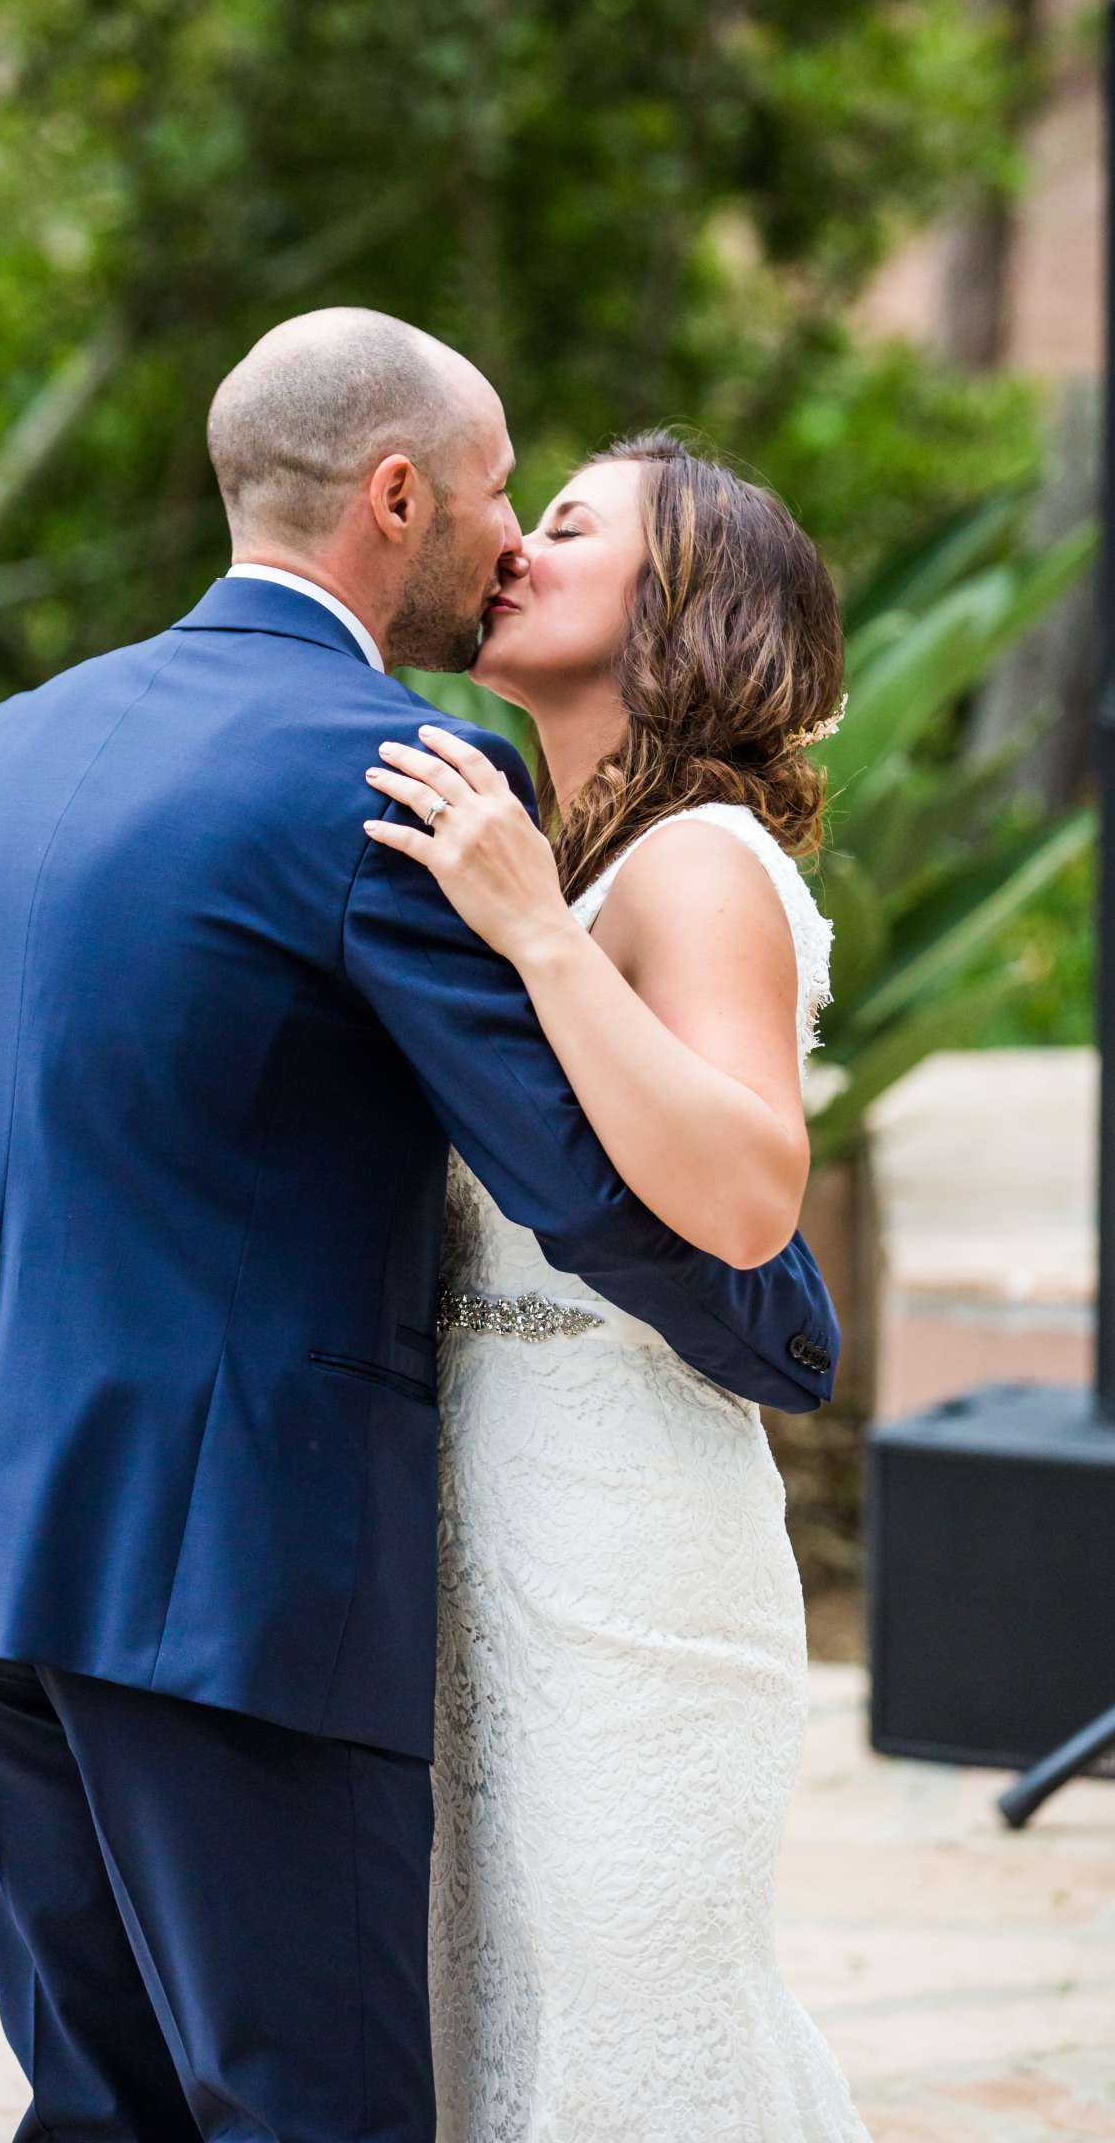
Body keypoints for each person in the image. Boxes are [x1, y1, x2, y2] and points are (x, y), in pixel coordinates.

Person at [0, 309, 840, 2143]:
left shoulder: (15, 742)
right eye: (499, 488)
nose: (513, 527)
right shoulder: (391, 778)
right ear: (398, 497)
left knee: (100, 2104)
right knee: (310, 2107)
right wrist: (782, 1332)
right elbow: (566, 1173)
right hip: (219, 1570)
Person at [361, 433, 870, 2139]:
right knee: (505, 2000)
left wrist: (537, 935)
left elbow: (741, 1196)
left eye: (571, 528)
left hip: (634, 1531)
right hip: (494, 1515)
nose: (519, 548)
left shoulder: (695, 866)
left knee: (630, 1988)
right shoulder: (576, 863)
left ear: (682, 607)